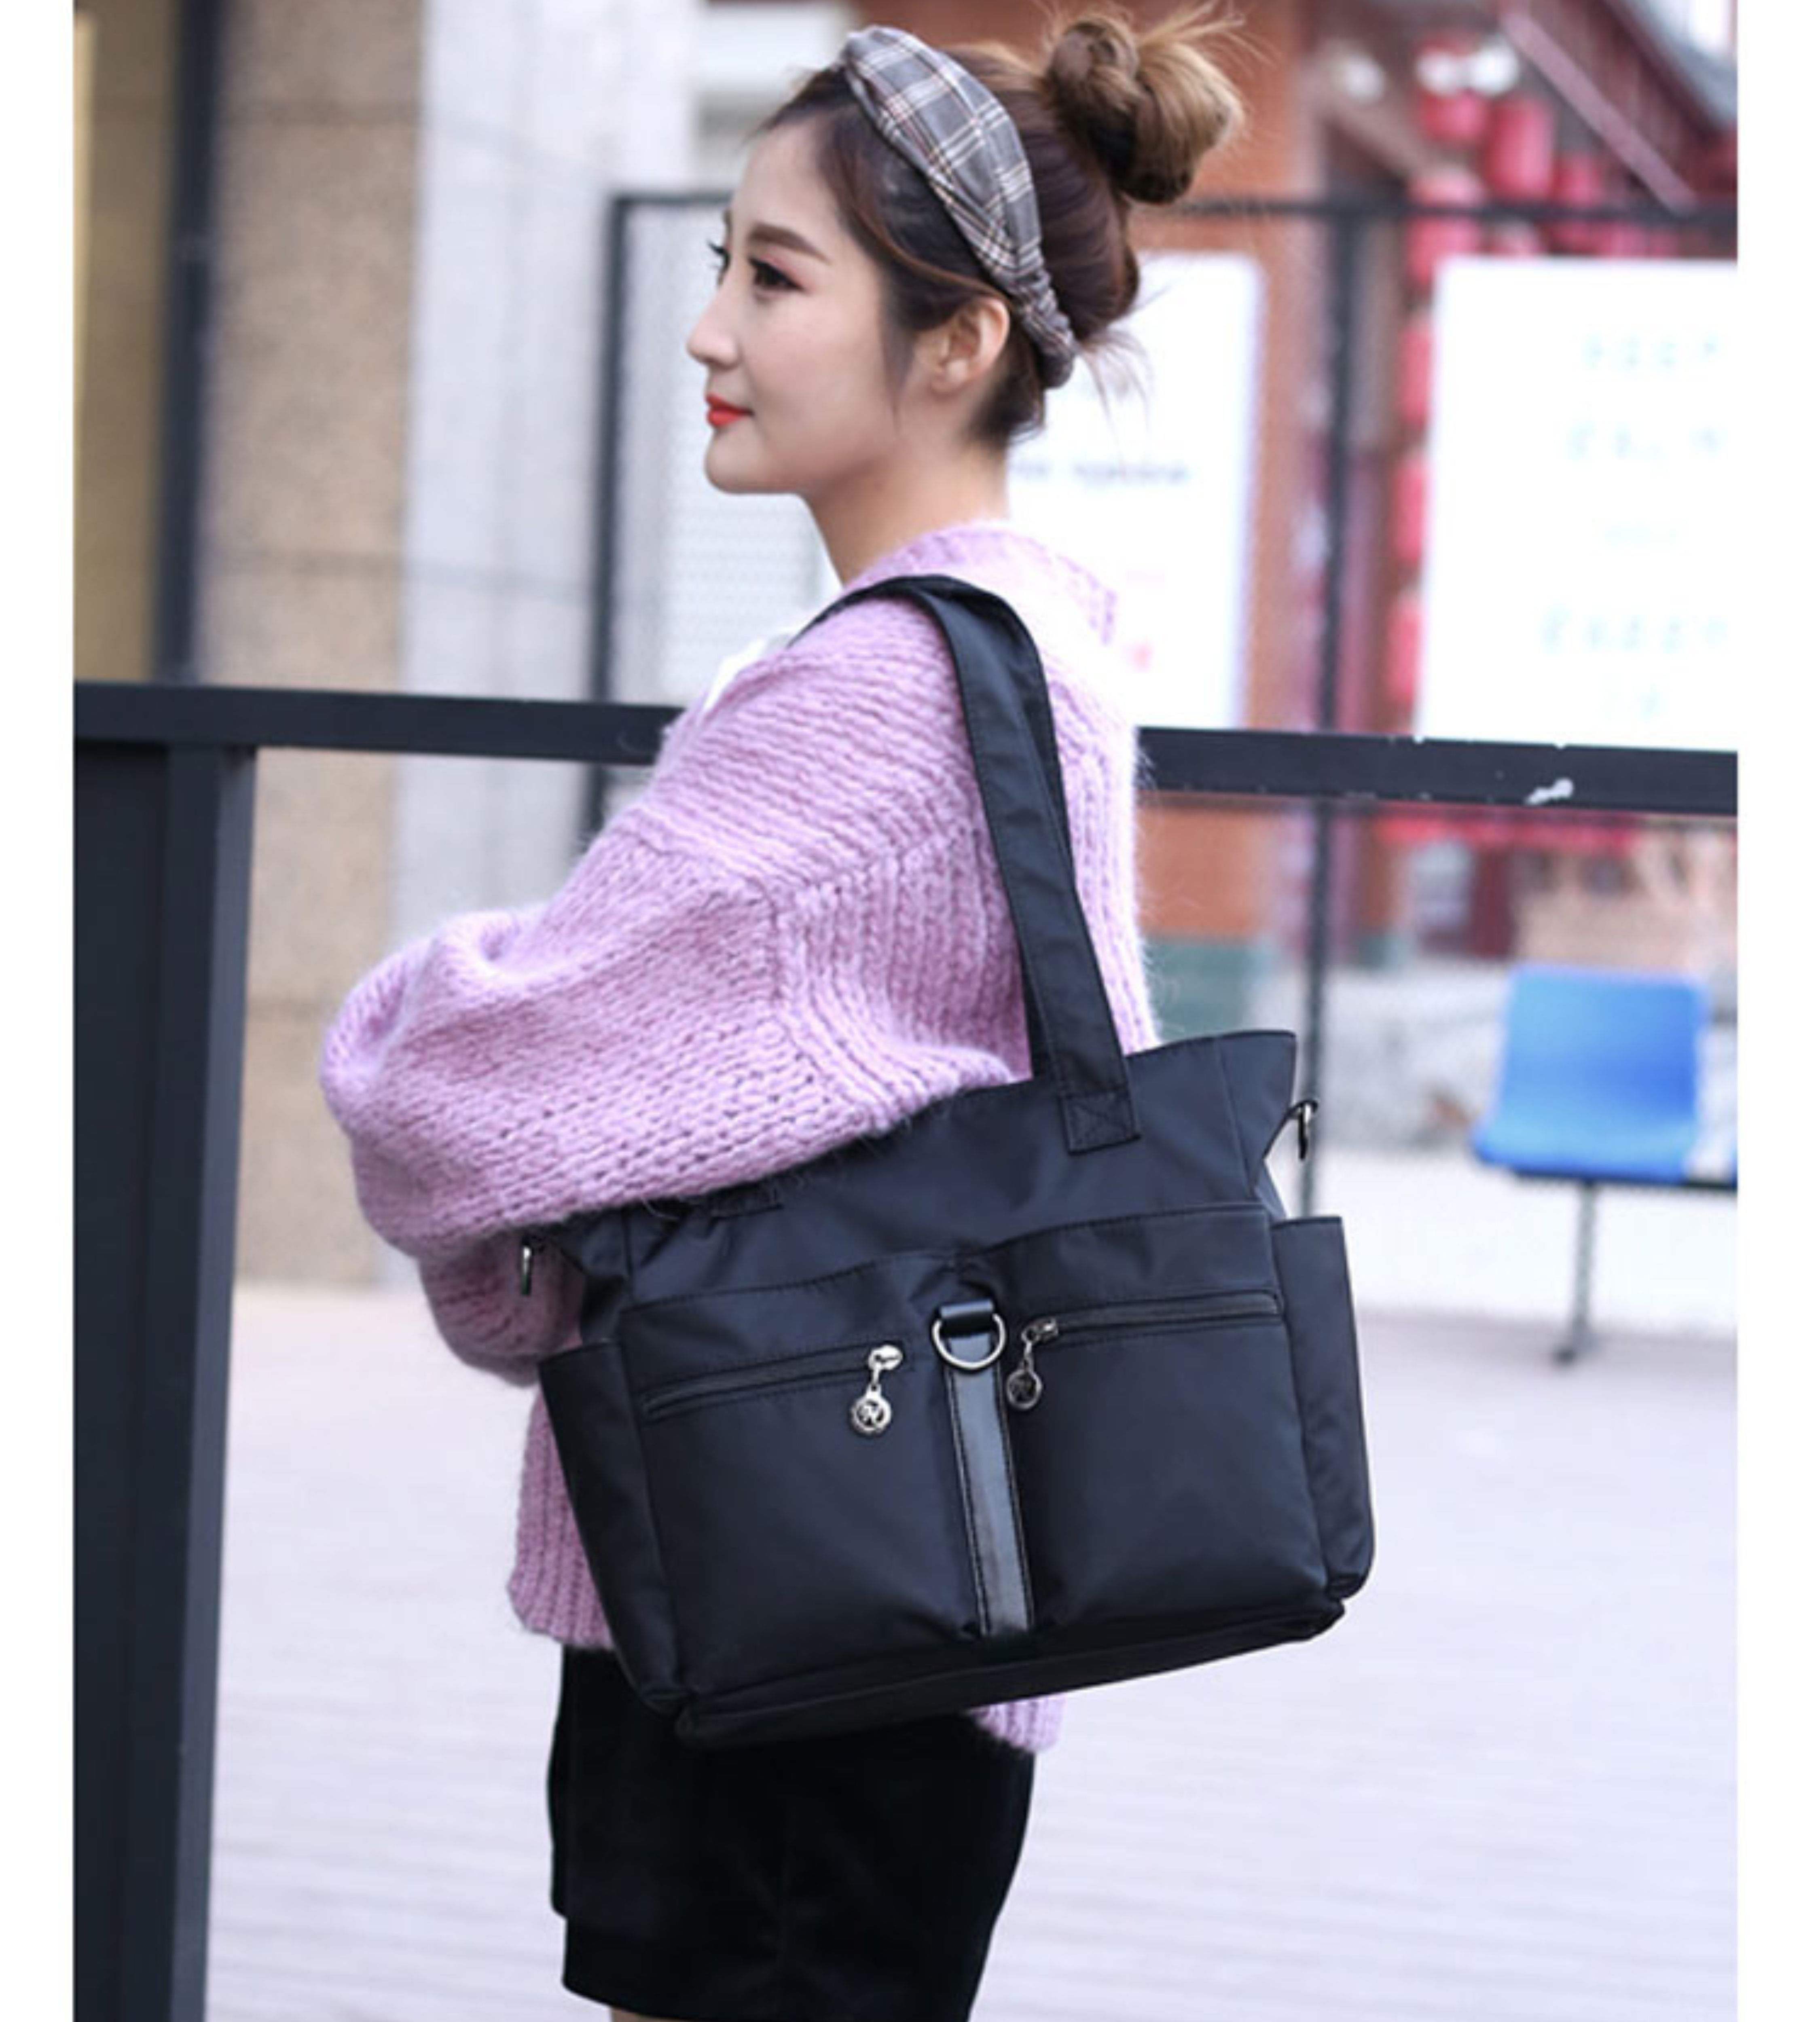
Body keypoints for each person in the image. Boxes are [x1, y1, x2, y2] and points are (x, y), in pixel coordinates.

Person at [320, 8, 1246, 2018]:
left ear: (959, 339)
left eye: (775, 275)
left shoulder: (879, 696)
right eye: (719, 261)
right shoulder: (1032, 652)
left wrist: (418, 1030)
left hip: (782, 1611)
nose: (710, 328)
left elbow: (461, 1088)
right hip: (905, 1604)